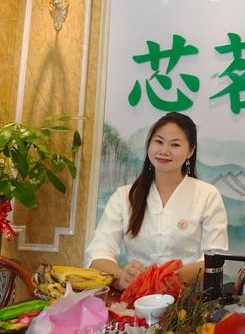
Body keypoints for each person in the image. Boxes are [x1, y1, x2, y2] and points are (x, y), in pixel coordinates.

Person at [86, 112, 228, 290]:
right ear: (149, 145)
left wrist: (172, 277)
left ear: (190, 151)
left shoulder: (207, 195)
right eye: (159, 142)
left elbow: (214, 258)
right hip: (136, 296)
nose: (164, 151)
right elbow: (98, 254)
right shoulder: (124, 196)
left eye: (175, 145)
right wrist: (122, 276)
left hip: (189, 300)